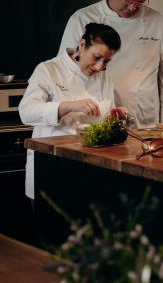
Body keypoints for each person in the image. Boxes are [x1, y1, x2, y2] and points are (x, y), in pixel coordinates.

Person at [58, 0, 163, 128]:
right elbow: (64, 73)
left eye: (140, 2)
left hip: (145, 122)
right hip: (96, 122)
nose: (132, 7)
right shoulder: (82, 19)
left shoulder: (159, 22)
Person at [19, 22, 122, 201]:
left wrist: (115, 115)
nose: (100, 67)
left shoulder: (104, 77)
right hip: (52, 166)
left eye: (107, 61)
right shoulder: (48, 70)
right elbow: (26, 112)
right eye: (97, 57)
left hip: (92, 168)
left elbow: (106, 116)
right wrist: (68, 106)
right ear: (82, 45)